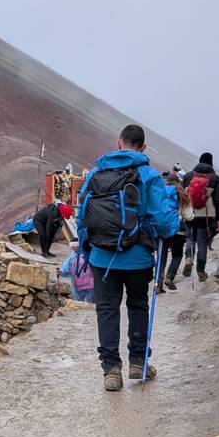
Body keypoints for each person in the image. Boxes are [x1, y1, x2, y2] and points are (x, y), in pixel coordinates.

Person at [76, 123, 179, 391]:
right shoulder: (149, 175)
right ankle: (138, 362)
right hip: (138, 257)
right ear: (143, 147)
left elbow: (81, 215)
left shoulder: (97, 172)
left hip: (101, 257)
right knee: (137, 306)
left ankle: (111, 371)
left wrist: (88, 250)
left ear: (118, 143)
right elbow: (163, 222)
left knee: (107, 310)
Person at [181, 152, 219, 281]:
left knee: (190, 238)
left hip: (189, 213)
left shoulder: (189, 175)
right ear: (211, 162)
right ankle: (201, 271)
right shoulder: (214, 178)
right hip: (206, 215)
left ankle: (189, 258)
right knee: (202, 242)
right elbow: (217, 200)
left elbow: (183, 196)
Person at [157, 174, 189, 292]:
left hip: (162, 228)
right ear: (177, 182)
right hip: (177, 229)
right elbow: (189, 216)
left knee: (162, 257)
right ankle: (169, 278)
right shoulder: (181, 193)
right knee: (177, 255)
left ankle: (158, 285)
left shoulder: (159, 192)